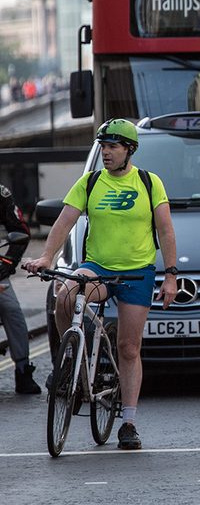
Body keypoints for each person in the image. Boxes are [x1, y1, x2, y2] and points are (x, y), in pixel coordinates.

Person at [24, 119, 179, 451]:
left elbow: (165, 230)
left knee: (128, 348)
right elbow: (65, 221)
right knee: (65, 298)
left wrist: (170, 274)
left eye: (112, 147)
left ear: (129, 150)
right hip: (98, 267)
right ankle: (69, 366)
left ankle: (129, 422)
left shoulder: (150, 184)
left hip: (137, 273)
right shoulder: (90, 182)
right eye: (103, 147)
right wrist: (46, 258)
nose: (106, 153)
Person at [0, 183, 39, 394]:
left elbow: (20, 231)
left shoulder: (1, 195)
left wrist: (6, 264)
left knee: (11, 309)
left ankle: (23, 370)